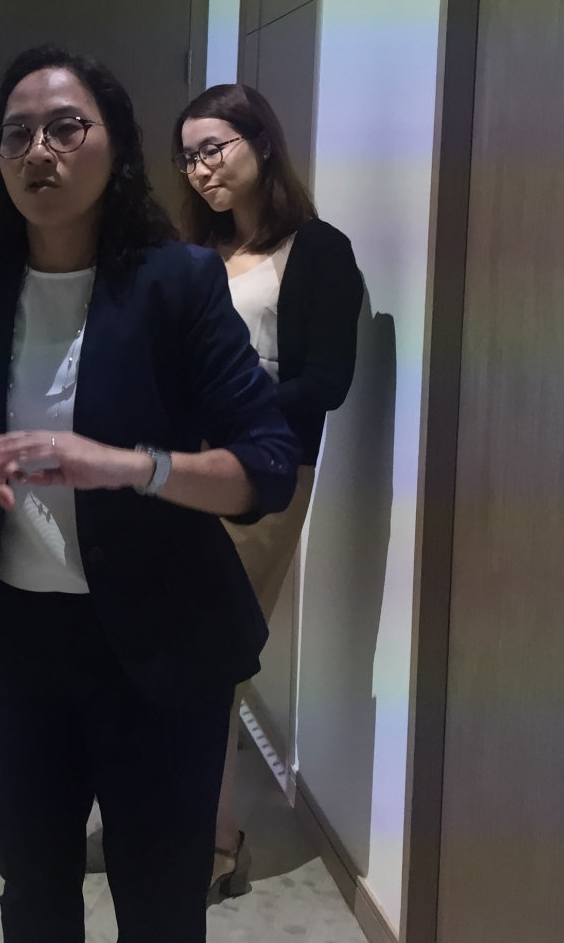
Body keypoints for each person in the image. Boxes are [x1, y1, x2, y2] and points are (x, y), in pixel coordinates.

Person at [0, 45, 299, 942]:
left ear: (116, 147)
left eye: (67, 128)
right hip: (20, 648)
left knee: (160, 908)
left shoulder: (177, 282)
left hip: (162, 645)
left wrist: (134, 466)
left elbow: (266, 464)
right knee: (33, 896)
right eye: (17, 134)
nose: (40, 150)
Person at [170, 82, 363, 901]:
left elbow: (327, 381)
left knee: (208, 655)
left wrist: (231, 410)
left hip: (263, 473)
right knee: (160, 650)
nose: (201, 169)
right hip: (180, 470)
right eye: (188, 157)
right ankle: (165, 822)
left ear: (262, 143)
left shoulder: (317, 250)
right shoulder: (199, 253)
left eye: (214, 148)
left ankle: (217, 842)